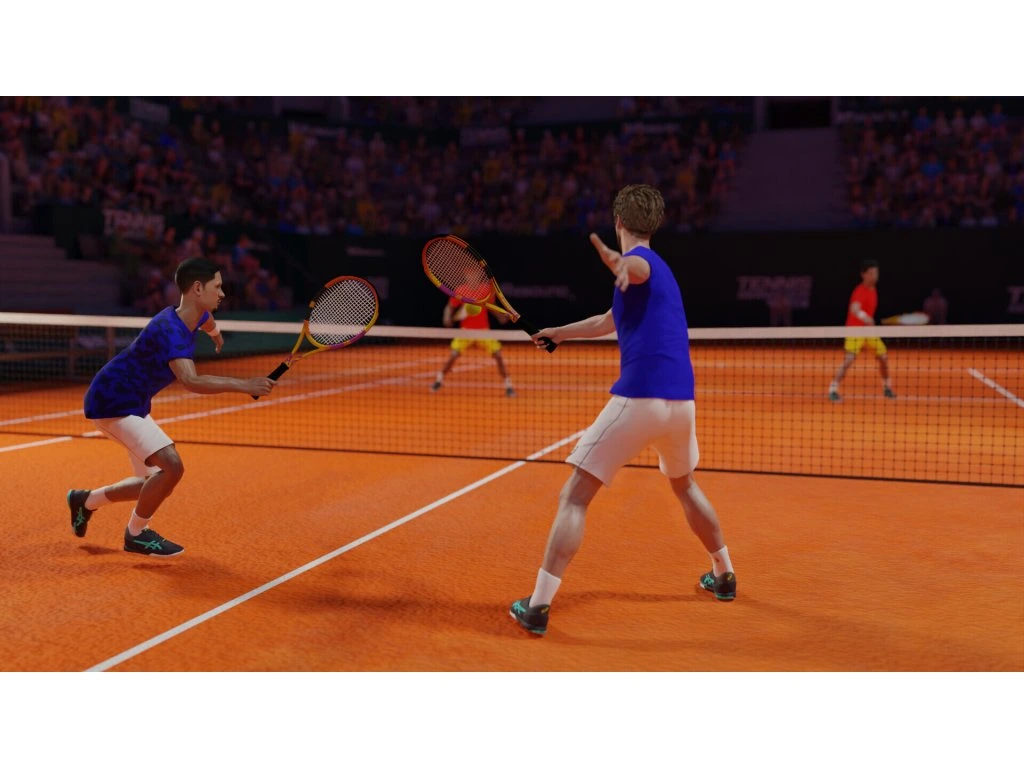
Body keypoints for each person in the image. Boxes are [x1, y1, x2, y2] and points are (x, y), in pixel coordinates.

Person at [509, 184, 736, 636]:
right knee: (685, 486)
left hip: (641, 398)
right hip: (681, 405)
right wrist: (559, 332)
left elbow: (633, 267)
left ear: (617, 222)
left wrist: (619, 262)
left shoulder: (641, 265)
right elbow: (606, 321)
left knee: (575, 496)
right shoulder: (662, 273)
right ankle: (724, 574)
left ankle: (537, 606)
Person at [66, 258, 276, 557]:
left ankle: (85, 501)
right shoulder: (170, 331)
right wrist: (245, 385)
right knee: (171, 467)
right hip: (111, 402)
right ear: (198, 288)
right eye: (217, 287)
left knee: (152, 483)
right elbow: (191, 380)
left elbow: (208, 321)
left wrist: (216, 335)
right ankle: (136, 535)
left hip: (133, 401)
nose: (223, 293)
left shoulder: (195, 315)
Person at [430, 266, 516, 398]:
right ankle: (439, 380)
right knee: (453, 355)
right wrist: (446, 317)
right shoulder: (461, 290)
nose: (472, 277)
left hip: (483, 331)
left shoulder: (485, 289)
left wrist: (500, 317)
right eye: (469, 275)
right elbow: (450, 307)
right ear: (466, 277)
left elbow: (491, 306)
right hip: (465, 332)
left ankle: (508, 385)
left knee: (498, 356)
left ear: (479, 276)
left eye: (475, 274)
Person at [828, 259, 895, 402]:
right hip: (855, 330)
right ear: (863, 275)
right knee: (849, 359)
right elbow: (854, 308)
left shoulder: (873, 290)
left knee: (883, 357)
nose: (874, 276)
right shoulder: (860, 291)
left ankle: (887, 388)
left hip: (868, 332)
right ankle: (833, 389)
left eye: (875, 273)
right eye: (870, 273)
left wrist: (868, 322)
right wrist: (865, 317)